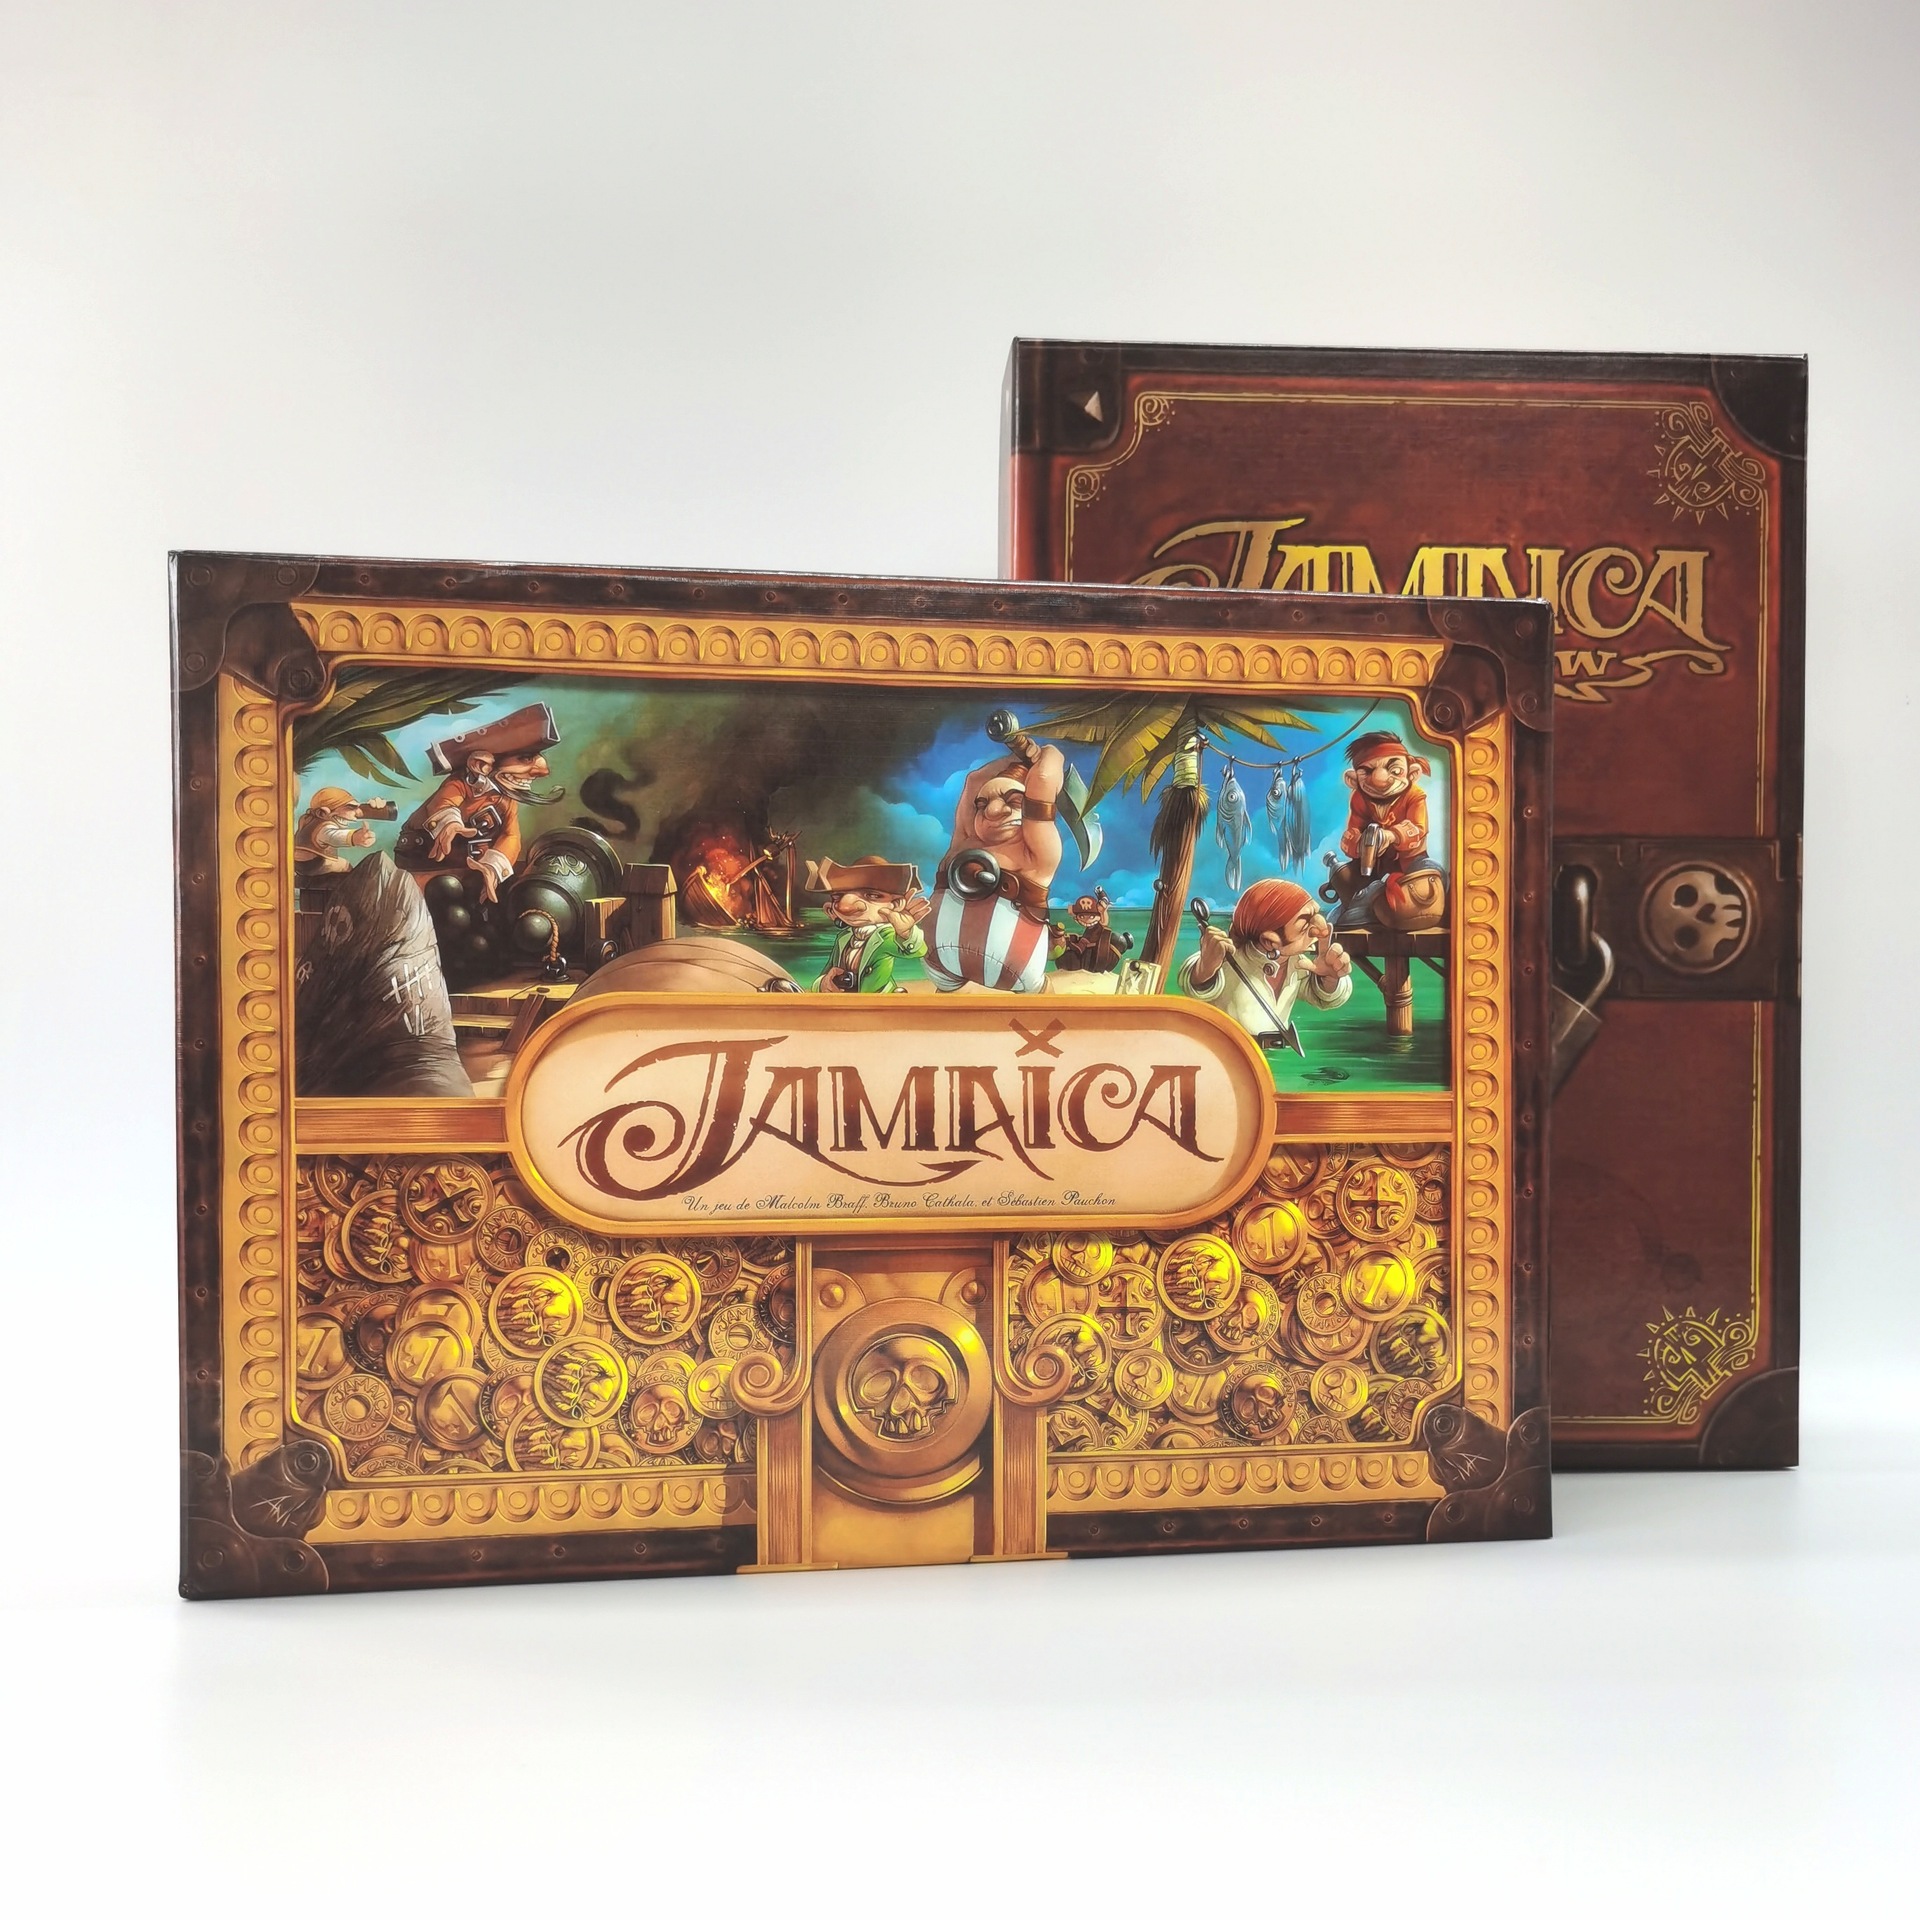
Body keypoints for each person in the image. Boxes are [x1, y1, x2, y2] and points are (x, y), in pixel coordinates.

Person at [923, 742, 1065, 994]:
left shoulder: (1035, 852)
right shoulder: (966, 840)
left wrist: (1049, 752)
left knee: (1041, 1003)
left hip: (1011, 966)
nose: (993, 810)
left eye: (1013, 801)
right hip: (940, 961)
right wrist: (1016, 754)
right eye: (982, 804)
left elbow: (1043, 778)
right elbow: (974, 780)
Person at [1178, 877, 1352, 1049]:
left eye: (1316, 914)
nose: (1321, 930)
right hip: (1228, 1054)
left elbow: (1322, 998)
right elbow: (1193, 984)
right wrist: (1205, 967)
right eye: (1305, 923)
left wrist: (1330, 979)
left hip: (1276, 1057)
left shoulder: (1297, 964)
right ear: (1269, 941)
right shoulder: (1229, 960)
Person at [1331, 729, 1446, 932]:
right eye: (1367, 772)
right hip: (1373, 867)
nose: (1380, 779)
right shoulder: (1359, 798)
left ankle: (1371, 903)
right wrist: (1361, 844)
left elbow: (1418, 828)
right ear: (1352, 780)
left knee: (1431, 872)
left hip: (1411, 863)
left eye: (1395, 770)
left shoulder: (1414, 795)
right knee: (1345, 876)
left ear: (1412, 774)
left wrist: (1392, 835)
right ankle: (1368, 901)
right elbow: (1352, 833)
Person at [805, 855, 930, 992]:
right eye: (838, 896)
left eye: (873, 896)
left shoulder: (885, 936)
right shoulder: (844, 937)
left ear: (897, 904)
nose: (846, 907)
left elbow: (917, 951)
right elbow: (826, 972)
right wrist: (823, 984)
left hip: (880, 1001)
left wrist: (906, 933)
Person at [293, 788, 378, 873]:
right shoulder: (323, 826)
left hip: (300, 862)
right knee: (345, 866)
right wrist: (354, 837)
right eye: (350, 807)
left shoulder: (308, 820)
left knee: (342, 864)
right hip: (312, 864)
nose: (357, 813)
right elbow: (332, 835)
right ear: (323, 812)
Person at [1052, 892, 1133, 973]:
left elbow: (1080, 949)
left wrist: (1068, 943)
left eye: (1092, 916)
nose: (1087, 920)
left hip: (1088, 962)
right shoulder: (1092, 929)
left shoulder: (1095, 931)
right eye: (1081, 917)